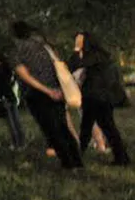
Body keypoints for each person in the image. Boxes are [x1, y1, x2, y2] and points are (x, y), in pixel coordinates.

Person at [10, 21, 83, 170]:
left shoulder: (16, 49)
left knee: (51, 130)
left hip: (37, 93)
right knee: (63, 128)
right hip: (57, 88)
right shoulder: (43, 45)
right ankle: (77, 162)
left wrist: (46, 91)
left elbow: (24, 75)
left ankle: (68, 164)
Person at [68, 31, 132, 166]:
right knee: (106, 127)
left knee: (90, 128)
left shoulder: (91, 57)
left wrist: (76, 49)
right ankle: (121, 157)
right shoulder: (103, 56)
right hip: (104, 97)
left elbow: (72, 65)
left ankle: (76, 158)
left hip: (94, 97)